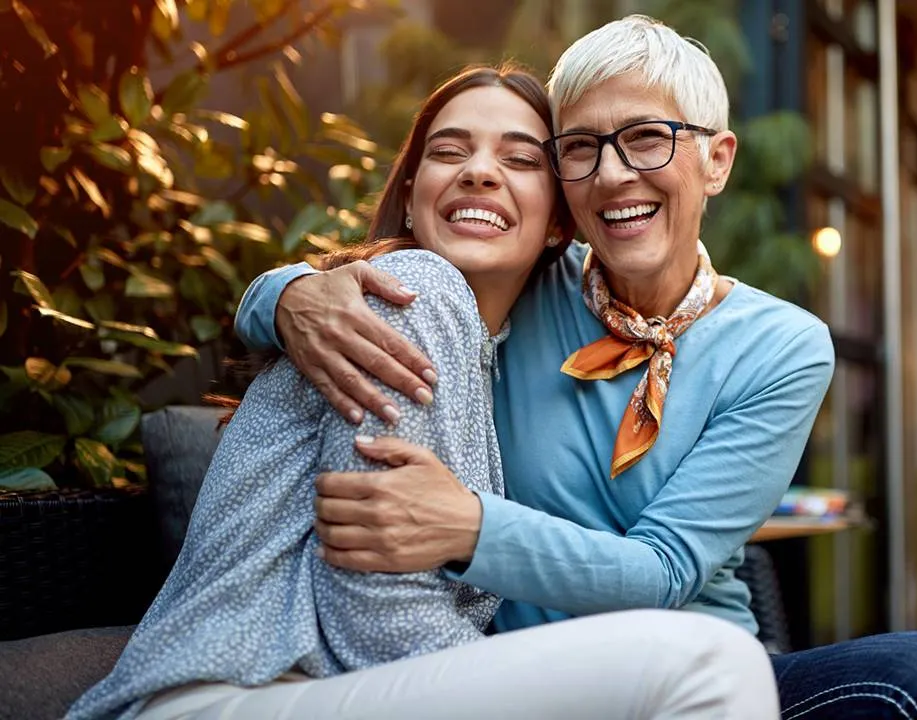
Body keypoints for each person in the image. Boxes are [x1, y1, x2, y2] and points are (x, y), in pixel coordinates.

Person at [237, 16, 917, 719]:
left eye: (647, 137)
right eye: (580, 148)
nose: (612, 175)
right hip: (521, 679)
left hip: (703, 674)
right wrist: (284, 295)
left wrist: (469, 526)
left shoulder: (784, 346)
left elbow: (667, 568)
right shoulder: (520, 285)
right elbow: (395, 277)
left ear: (716, 160)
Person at [68, 64, 780, 720]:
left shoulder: (498, 347)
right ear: (409, 195)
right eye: (448, 152)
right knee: (712, 665)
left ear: (561, 220)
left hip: (336, 688)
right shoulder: (418, 294)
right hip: (233, 694)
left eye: (521, 159)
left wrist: (276, 293)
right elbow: (378, 612)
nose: (478, 172)